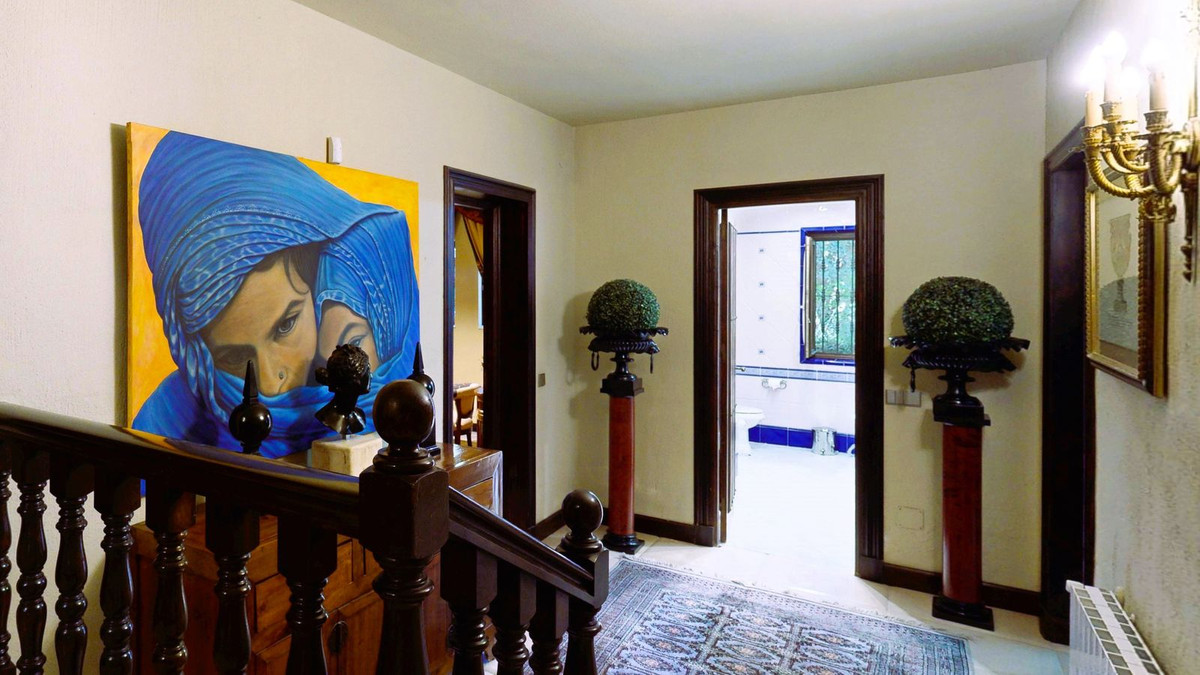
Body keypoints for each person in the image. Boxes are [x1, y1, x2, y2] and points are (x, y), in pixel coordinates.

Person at [132, 130, 419, 458]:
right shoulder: (165, 424)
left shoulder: (382, 369)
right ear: (195, 349)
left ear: (317, 288)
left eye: (285, 325)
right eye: (234, 357)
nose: (271, 384)